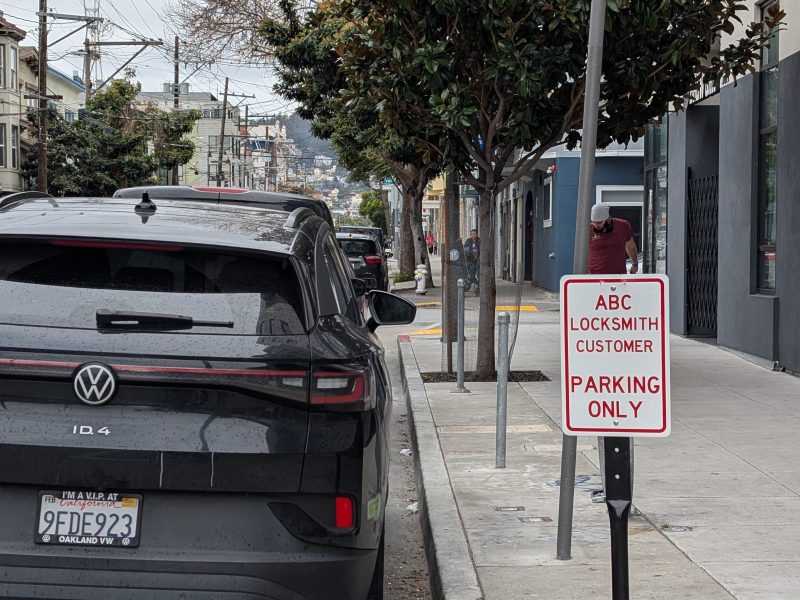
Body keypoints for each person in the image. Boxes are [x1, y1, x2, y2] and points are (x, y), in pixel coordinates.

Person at [588, 203, 638, 275]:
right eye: (594, 223)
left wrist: (635, 264)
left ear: (608, 219)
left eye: (599, 223)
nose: (596, 226)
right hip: (594, 276)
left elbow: (630, 246)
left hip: (618, 276)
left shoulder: (622, 226)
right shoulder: (589, 229)